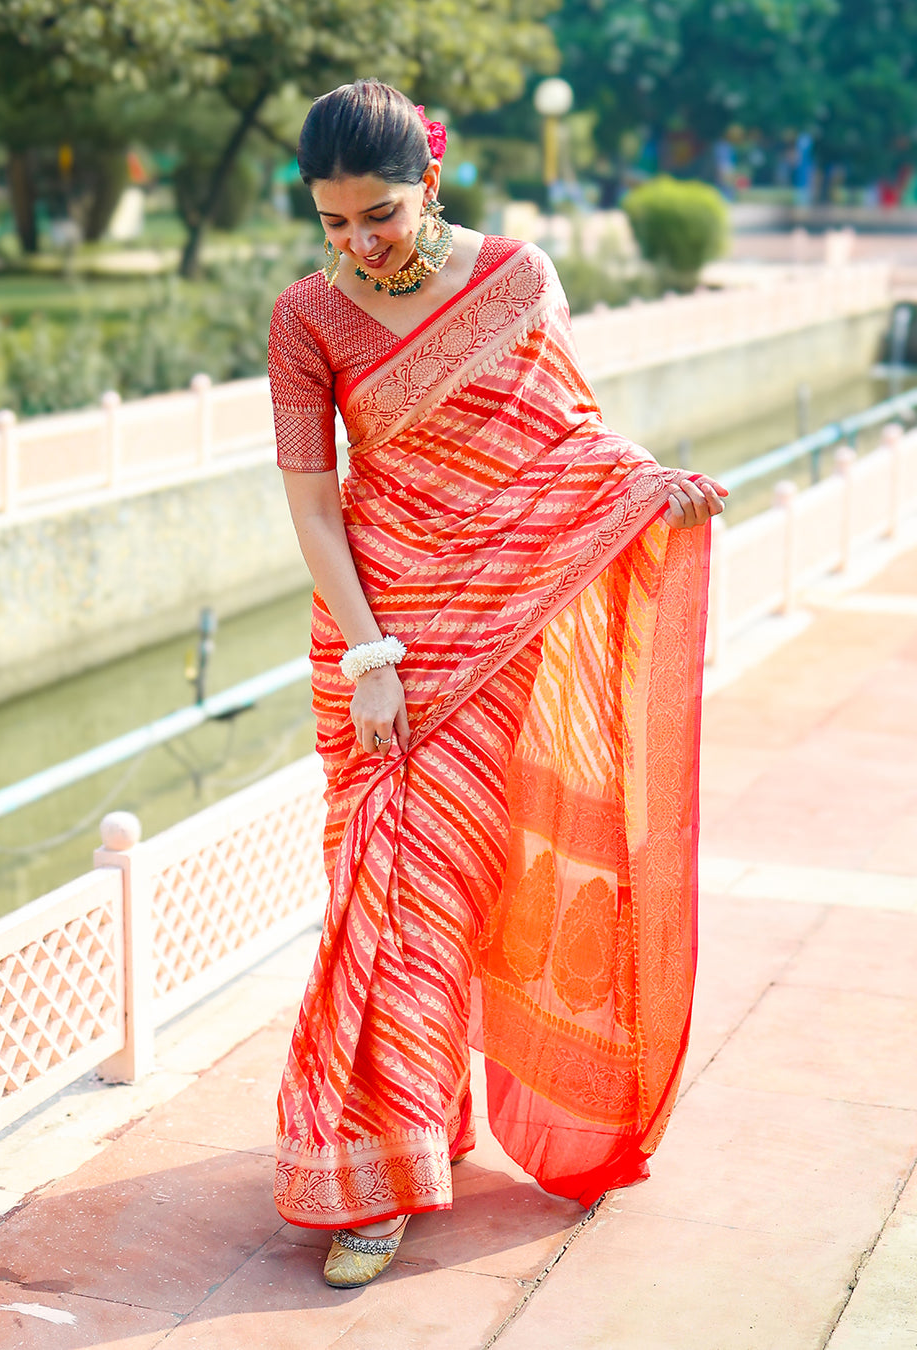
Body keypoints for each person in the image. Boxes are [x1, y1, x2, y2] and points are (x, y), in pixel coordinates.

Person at [268, 80, 726, 1290]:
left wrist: (646, 488)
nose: (360, 244)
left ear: (430, 180)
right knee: (382, 895)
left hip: (494, 622)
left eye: (379, 214)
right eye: (333, 223)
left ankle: (413, 1135)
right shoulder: (304, 318)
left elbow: (564, 437)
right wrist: (372, 659)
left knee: (451, 890)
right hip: (376, 634)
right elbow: (314, 509)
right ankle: (377, 1173)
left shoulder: (519, 281)